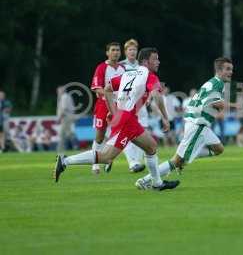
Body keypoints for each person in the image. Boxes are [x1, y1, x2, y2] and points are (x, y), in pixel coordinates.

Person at [54, 48, 180, 191]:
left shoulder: (128, 73)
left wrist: (114, 111)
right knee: (107, 157)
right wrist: (165, 117)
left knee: (151, 147)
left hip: (127, 117)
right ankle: (65, 161)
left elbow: (107, 89)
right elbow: (157, 96)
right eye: (155, 59)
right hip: (126, 119)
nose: (158, 62)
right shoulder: (149, 76)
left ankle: (157, 183)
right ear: (146, 61)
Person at [135, 57, 233, 190]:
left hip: (199, 124)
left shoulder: (213, 82)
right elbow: (214, 103)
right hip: (197, 125)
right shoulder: (218, 84)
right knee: (176, 160)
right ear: (219, 70)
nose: (230, 72)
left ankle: (185, 158)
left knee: (218, 149)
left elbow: (207, 102)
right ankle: (145, 180)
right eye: (227, 69)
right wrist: (235, 105)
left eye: (231, 69)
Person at [107, 38, 147, 173]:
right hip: (126, 103)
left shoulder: (142, 65)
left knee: (142, 131)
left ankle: (136, 161)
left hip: (140, 103)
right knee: (126, 133)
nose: (132, 52)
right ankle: (132, 163)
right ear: (125, 51)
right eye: (130, 49)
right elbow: (114, 86)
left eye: (135, 49)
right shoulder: (121, 67)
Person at [90, 42, 125, 174]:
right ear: (107, 53)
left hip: (119, 105)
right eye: (113, 50)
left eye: (118, 50)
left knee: (118, 133)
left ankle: (108, 158)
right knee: (100, 136)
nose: (116, 52)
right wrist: (109, 94)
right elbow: (96, 88)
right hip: (103, 105)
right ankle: (95, 163)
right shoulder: (101, 67)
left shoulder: (123, 68)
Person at [56, 85, 76, 153]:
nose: (58, 92)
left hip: (65, 117)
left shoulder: (64, 97)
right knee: (69, 133)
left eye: (59, 91)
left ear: (62, 90)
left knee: (62, 133)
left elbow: (64, 109)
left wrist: (59, 118)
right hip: (69, 117)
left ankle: (60, 148)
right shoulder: (67, 96)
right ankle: (75, 145)